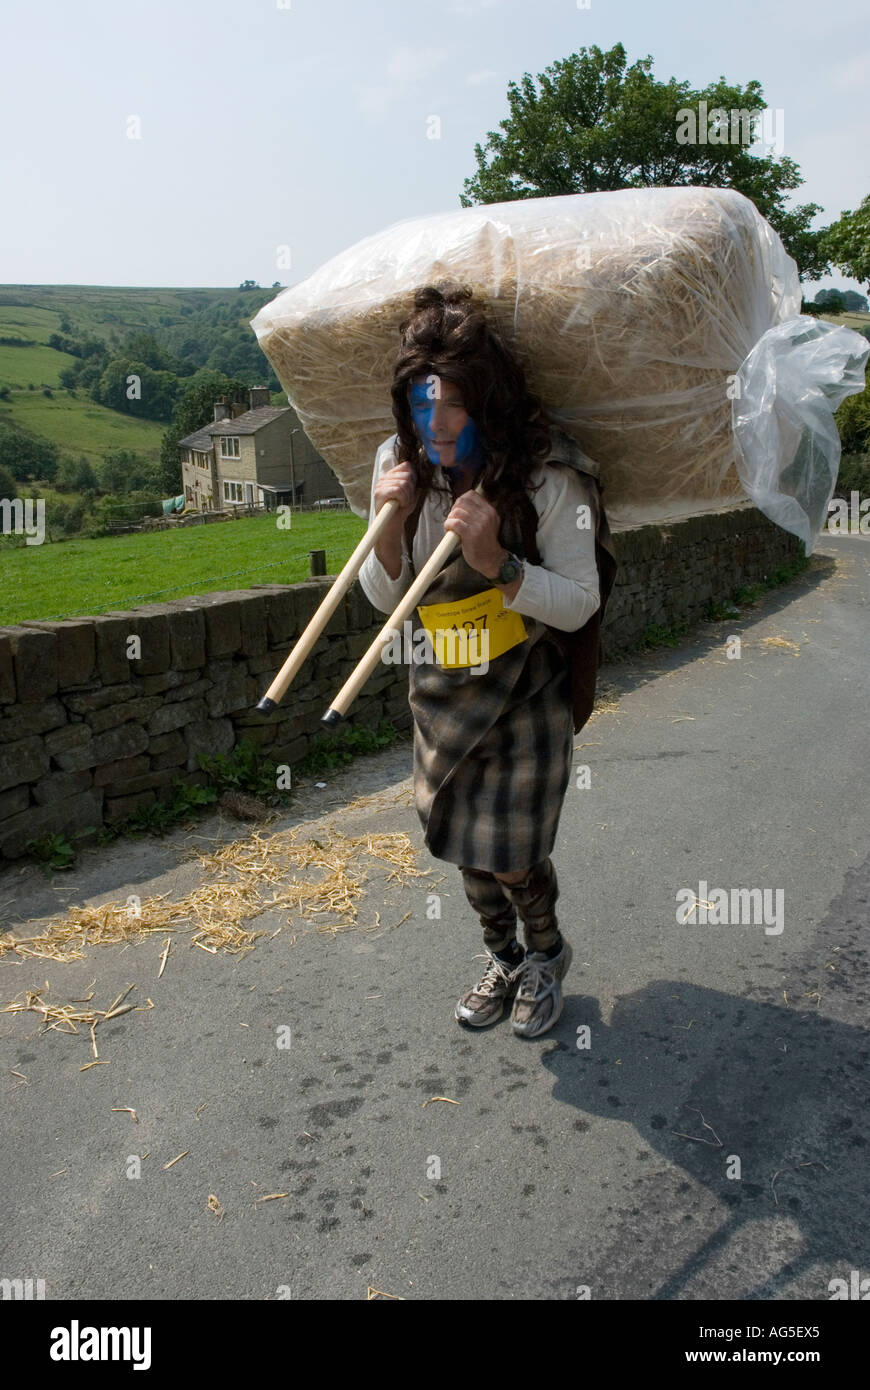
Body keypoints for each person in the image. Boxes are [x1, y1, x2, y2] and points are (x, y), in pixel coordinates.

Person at [358, 283, 616, 1039]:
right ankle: (502, 956)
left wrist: (500, 563)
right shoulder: (398, 462)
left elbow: (578, 601)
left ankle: (546, 953)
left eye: (453, 405)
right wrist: (390, 522)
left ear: (491, 401)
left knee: (510, 849)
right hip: (441, 686)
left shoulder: (546, 476)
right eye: (419, 403)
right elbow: (385, 600)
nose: (433, 426)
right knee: (462, 846)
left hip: (524, 689)